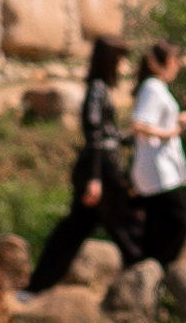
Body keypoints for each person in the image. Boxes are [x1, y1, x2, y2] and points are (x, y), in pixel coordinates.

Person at [26, 38, 134, 293]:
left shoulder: (100, 91)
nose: (124, 66)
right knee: (125, 228)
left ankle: (36, 286)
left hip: (101, 171)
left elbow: (107, 135)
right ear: (110, 61)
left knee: (74, 233)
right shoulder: (97, 91)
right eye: (120, 59)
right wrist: (95, 179)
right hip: (101, 174)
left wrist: (135, 136)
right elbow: (95, 137)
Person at [125, 43, 186, 272]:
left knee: (157, 226)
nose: (176, 65)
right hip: (158, 171)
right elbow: (138, 125)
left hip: (158, 170)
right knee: (179, 222)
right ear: (159, 63)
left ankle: (147, 273)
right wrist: (173, 129)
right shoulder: (153, 87)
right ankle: (158, 271)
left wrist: (177, 119)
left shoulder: (155, 87)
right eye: (173, 60)